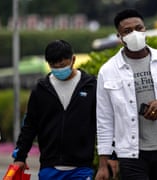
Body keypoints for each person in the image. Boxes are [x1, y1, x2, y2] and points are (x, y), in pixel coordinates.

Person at [95, 9, 157, 180]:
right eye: (128, 31)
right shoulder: (108, 71)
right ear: (119, 37)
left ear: (145, 29)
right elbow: (104, 119)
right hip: (130, 154)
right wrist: (103, 162)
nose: (135, 34)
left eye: (139, 28)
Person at [12, 40, 97, 179]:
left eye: (62, 65)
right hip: (49, 167)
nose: (58, 69)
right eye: (53, 66)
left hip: (82, 168)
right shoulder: (41, 89)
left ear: (73, 60)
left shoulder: (91, 86)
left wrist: (109, 156)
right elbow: (30, 125)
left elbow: (104, 123)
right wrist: (20, 156)